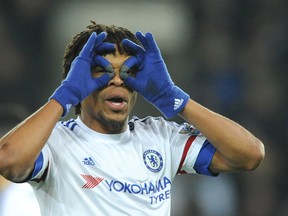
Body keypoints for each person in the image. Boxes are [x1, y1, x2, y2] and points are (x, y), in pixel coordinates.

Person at [0, 21, 265, 215]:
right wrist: (65, 96)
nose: (117, 80)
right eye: (102, 72)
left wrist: (174, 98)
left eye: (128, 72)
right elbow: (8, 160)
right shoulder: (56, 143)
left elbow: (249, 154)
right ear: (78, 80)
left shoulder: (161, 137)